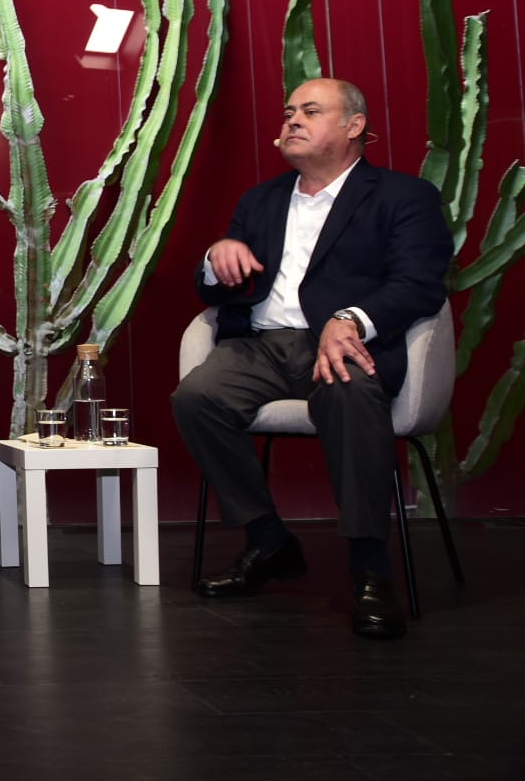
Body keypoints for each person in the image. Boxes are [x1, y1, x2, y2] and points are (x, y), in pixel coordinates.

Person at [172, 78, 451, 640]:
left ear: (354, 127)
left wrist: (349, 321)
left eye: (311, 111)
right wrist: (215, 256)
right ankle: (268, 538)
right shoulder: (262, 200)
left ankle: (371, 565)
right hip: (261, 346)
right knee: (197, 398)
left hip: (349, 344)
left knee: (349, 392)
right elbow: (217, 291)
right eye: (288, 111)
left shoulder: (403, 197)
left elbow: (419, 285)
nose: (292, 120)